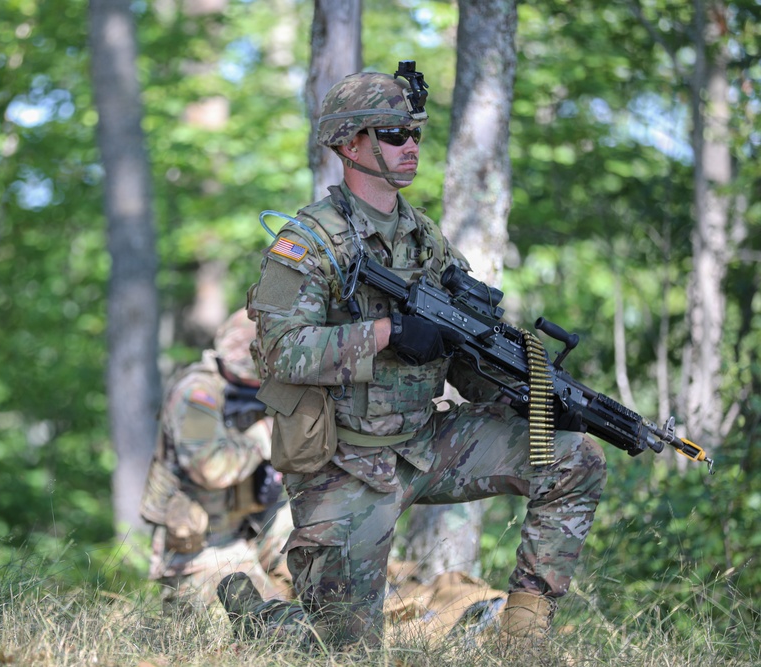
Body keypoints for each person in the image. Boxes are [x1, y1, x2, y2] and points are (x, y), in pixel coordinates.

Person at [218, 61, 607, 651]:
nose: (412, 146)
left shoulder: (426, 239)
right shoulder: (308, 243)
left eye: (416, 133)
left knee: (571, 455)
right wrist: (387, 333)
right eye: (395, 134)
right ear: (351, 144)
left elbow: (465, 352)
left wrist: (530, 395)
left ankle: (521, 642)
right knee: (343, 652)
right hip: (342, 462)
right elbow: (277, 353)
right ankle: (260, 620)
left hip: (426, 443)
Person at [139, 308, 294, 613]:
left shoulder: (257, 390)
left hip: (248, 532)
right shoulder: (196, 393)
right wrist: (264, 435)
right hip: (201, 552)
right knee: (272, 621)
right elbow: (211, 467)